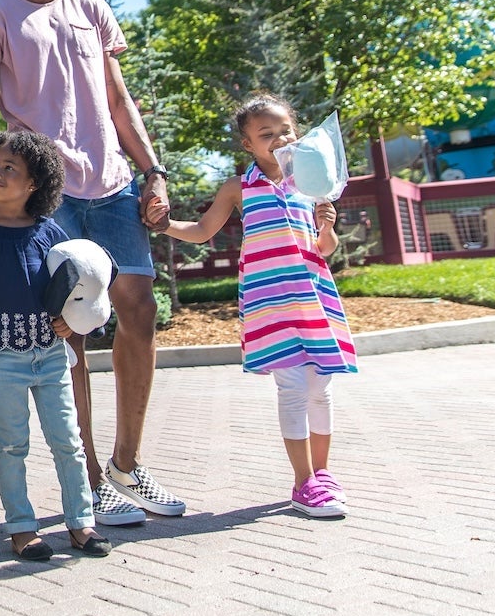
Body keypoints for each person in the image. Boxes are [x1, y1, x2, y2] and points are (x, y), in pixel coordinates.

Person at [0, 0, 183, 526]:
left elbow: (119, 100)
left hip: (112, 187)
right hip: (47, 198)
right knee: (70, 333)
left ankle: (127, 464)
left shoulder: (92, 9)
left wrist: (153, 171)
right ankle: (90, 484)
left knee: (139, 311)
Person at [146, 94, 357, 518]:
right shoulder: (238, 187)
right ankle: (303, 483)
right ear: (248, 144)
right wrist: (163, 223)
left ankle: (323, 472)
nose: (280, 139)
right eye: (267, 135)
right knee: (294, 388)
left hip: (312, 294)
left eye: (286, 131)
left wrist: (327, 224)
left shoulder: (312, 181)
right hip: (270, 302)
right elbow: (204, 230)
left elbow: (325, 248)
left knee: (321, 388)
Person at [0, 130, 111, 560]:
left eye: (11, 167)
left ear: (34, 184)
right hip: (2, 357)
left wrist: (69, 321)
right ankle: (21, 527)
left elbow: (76, 285)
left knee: (68, 440)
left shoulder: (50, 232)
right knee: (11, 443)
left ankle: (81, 522)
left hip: (50, 353)